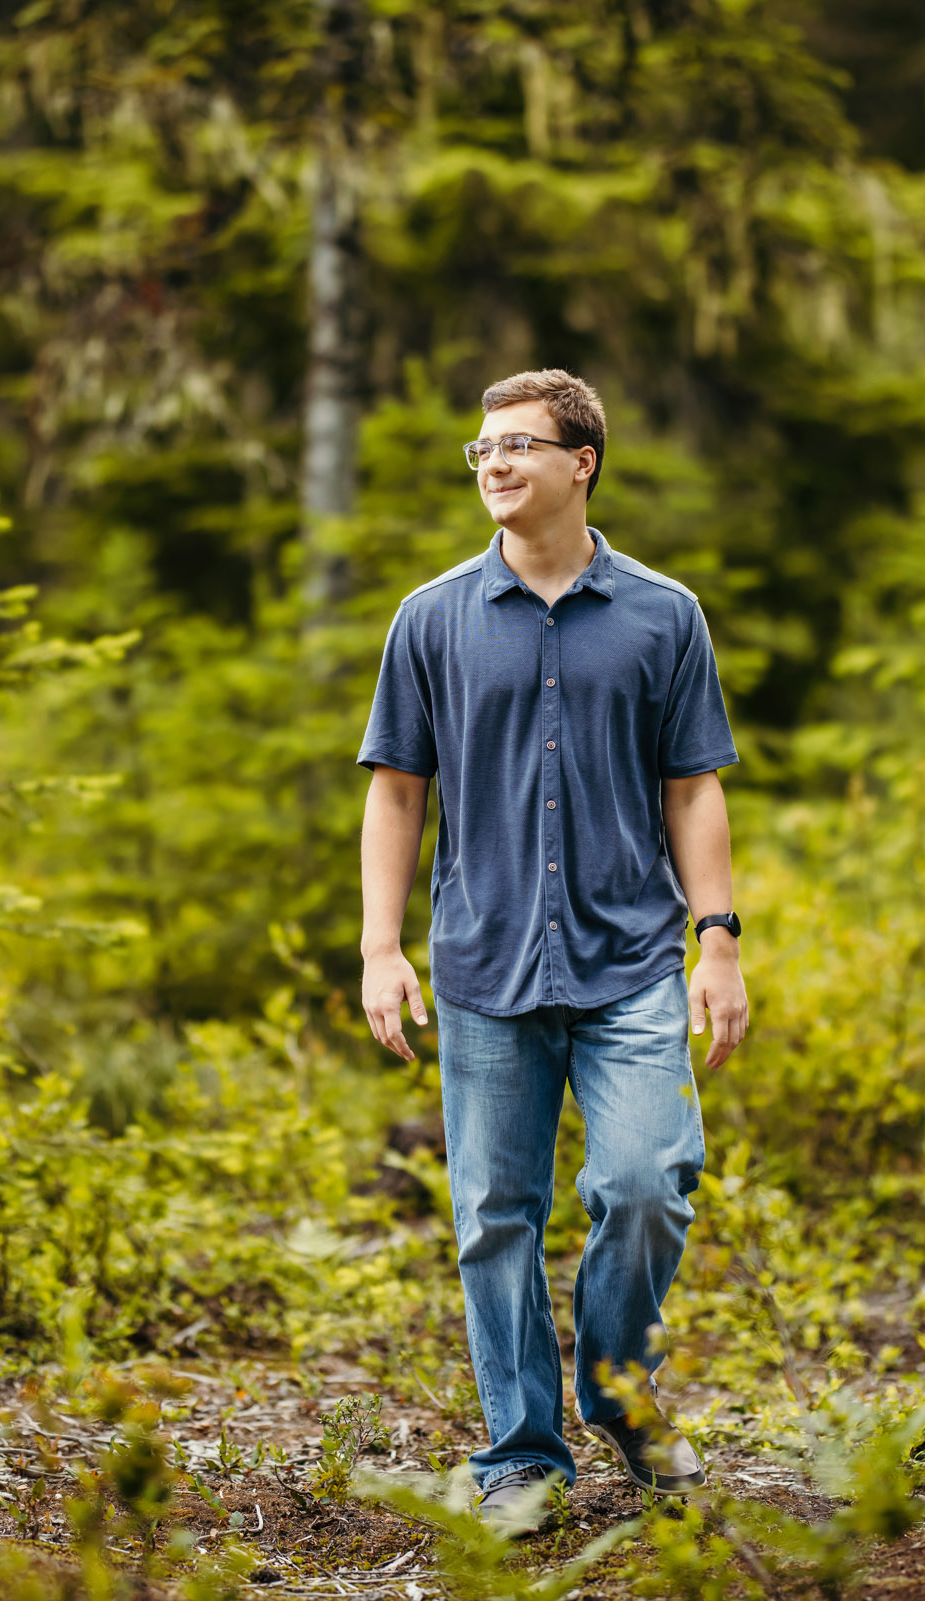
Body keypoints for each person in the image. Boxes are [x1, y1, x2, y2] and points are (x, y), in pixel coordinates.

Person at [354, 368, 749, 1537]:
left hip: (631, 957)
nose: (491, 462)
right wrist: (382, 945)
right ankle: (521, 1456)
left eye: (517, 443)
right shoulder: (430, 617)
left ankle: (620, 1398)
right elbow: (395, 794)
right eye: (479, 448)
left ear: (582, 461)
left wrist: (716, 939)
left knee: (645, 1182)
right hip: (483, 964)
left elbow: (695, 789)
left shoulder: (664, 613)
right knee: (494, 1214)